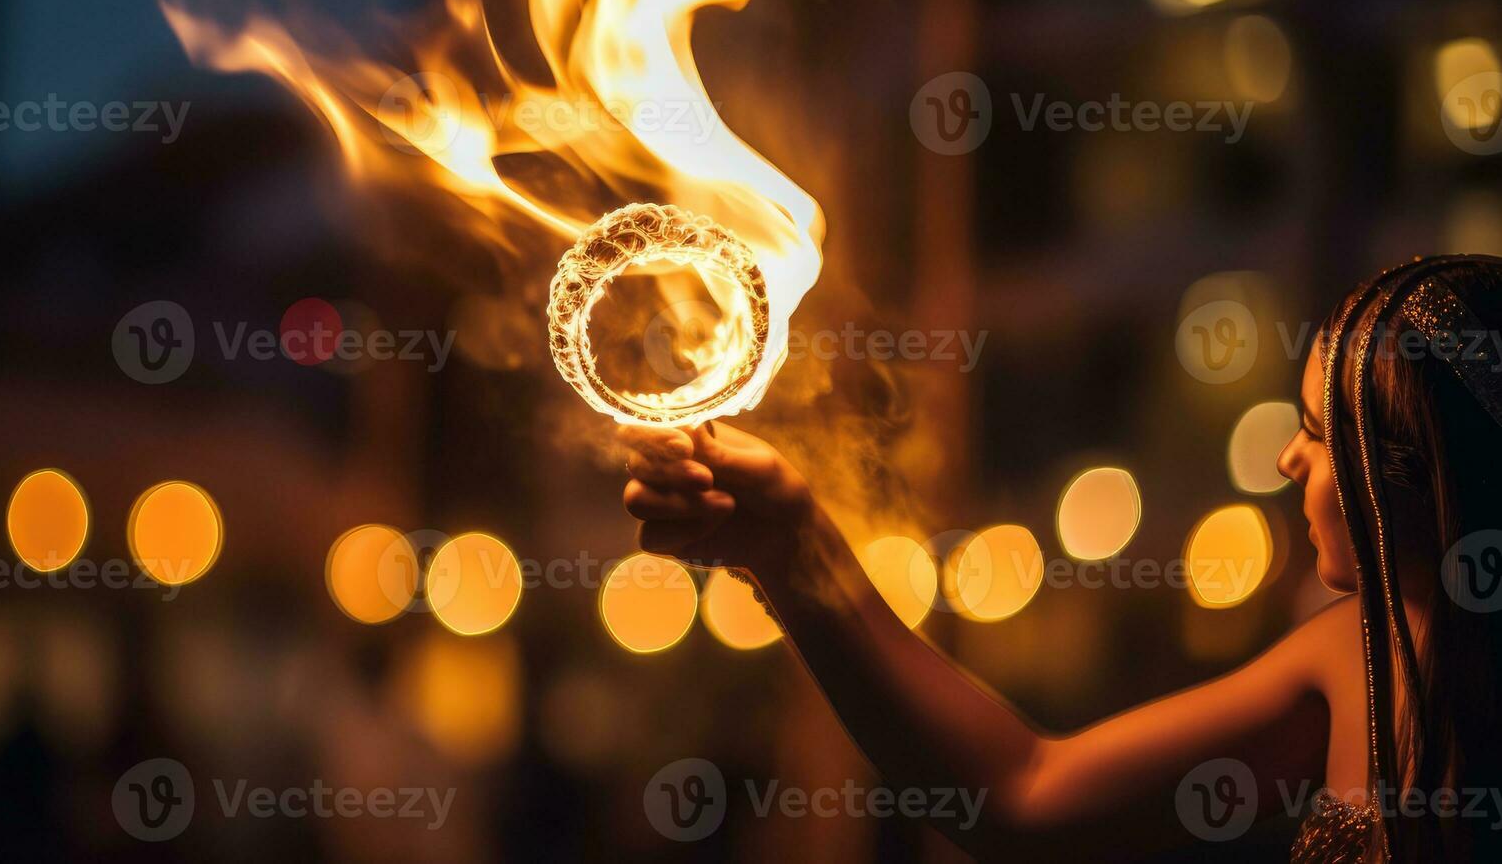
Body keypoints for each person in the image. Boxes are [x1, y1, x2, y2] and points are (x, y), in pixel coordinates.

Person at [619, 256, 1502, 862]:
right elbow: (1025, 797)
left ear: (1417, 468)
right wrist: (792, 548)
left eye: (1318, 432)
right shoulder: (1348, 655)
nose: (1287, 460)